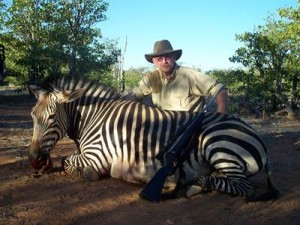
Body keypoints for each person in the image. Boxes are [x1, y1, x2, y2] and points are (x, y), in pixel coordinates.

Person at [128, 39, 228, 113]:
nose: (164, 61)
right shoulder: (151, 79)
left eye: (168, 57)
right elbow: (135, 94)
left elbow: (220, 90)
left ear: (174, 57)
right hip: (164, 131)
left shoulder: (189, 76)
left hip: (190, 130)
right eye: (159, 59)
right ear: (154, 61)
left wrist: (220, 117)